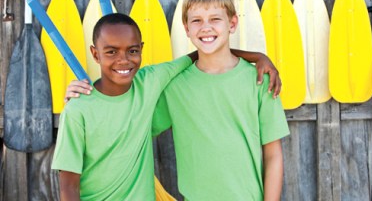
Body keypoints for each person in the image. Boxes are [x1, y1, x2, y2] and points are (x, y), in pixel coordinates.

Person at [53, 12, 281, 200]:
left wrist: (257, 57)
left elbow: (201, 54)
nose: (123, 60)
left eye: (132, 51)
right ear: (95, 54)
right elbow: (68, 187)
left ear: (141, 49)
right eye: (111, 52)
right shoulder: (78, 110)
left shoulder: (150, 80)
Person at [151, 0, 290, 200]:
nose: (206, 27)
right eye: (196, 21)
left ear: (232, 23)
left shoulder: (261, 79)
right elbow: (136, 129)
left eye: (215, 19)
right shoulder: (175, 87)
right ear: (187, 29)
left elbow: (273, 154)